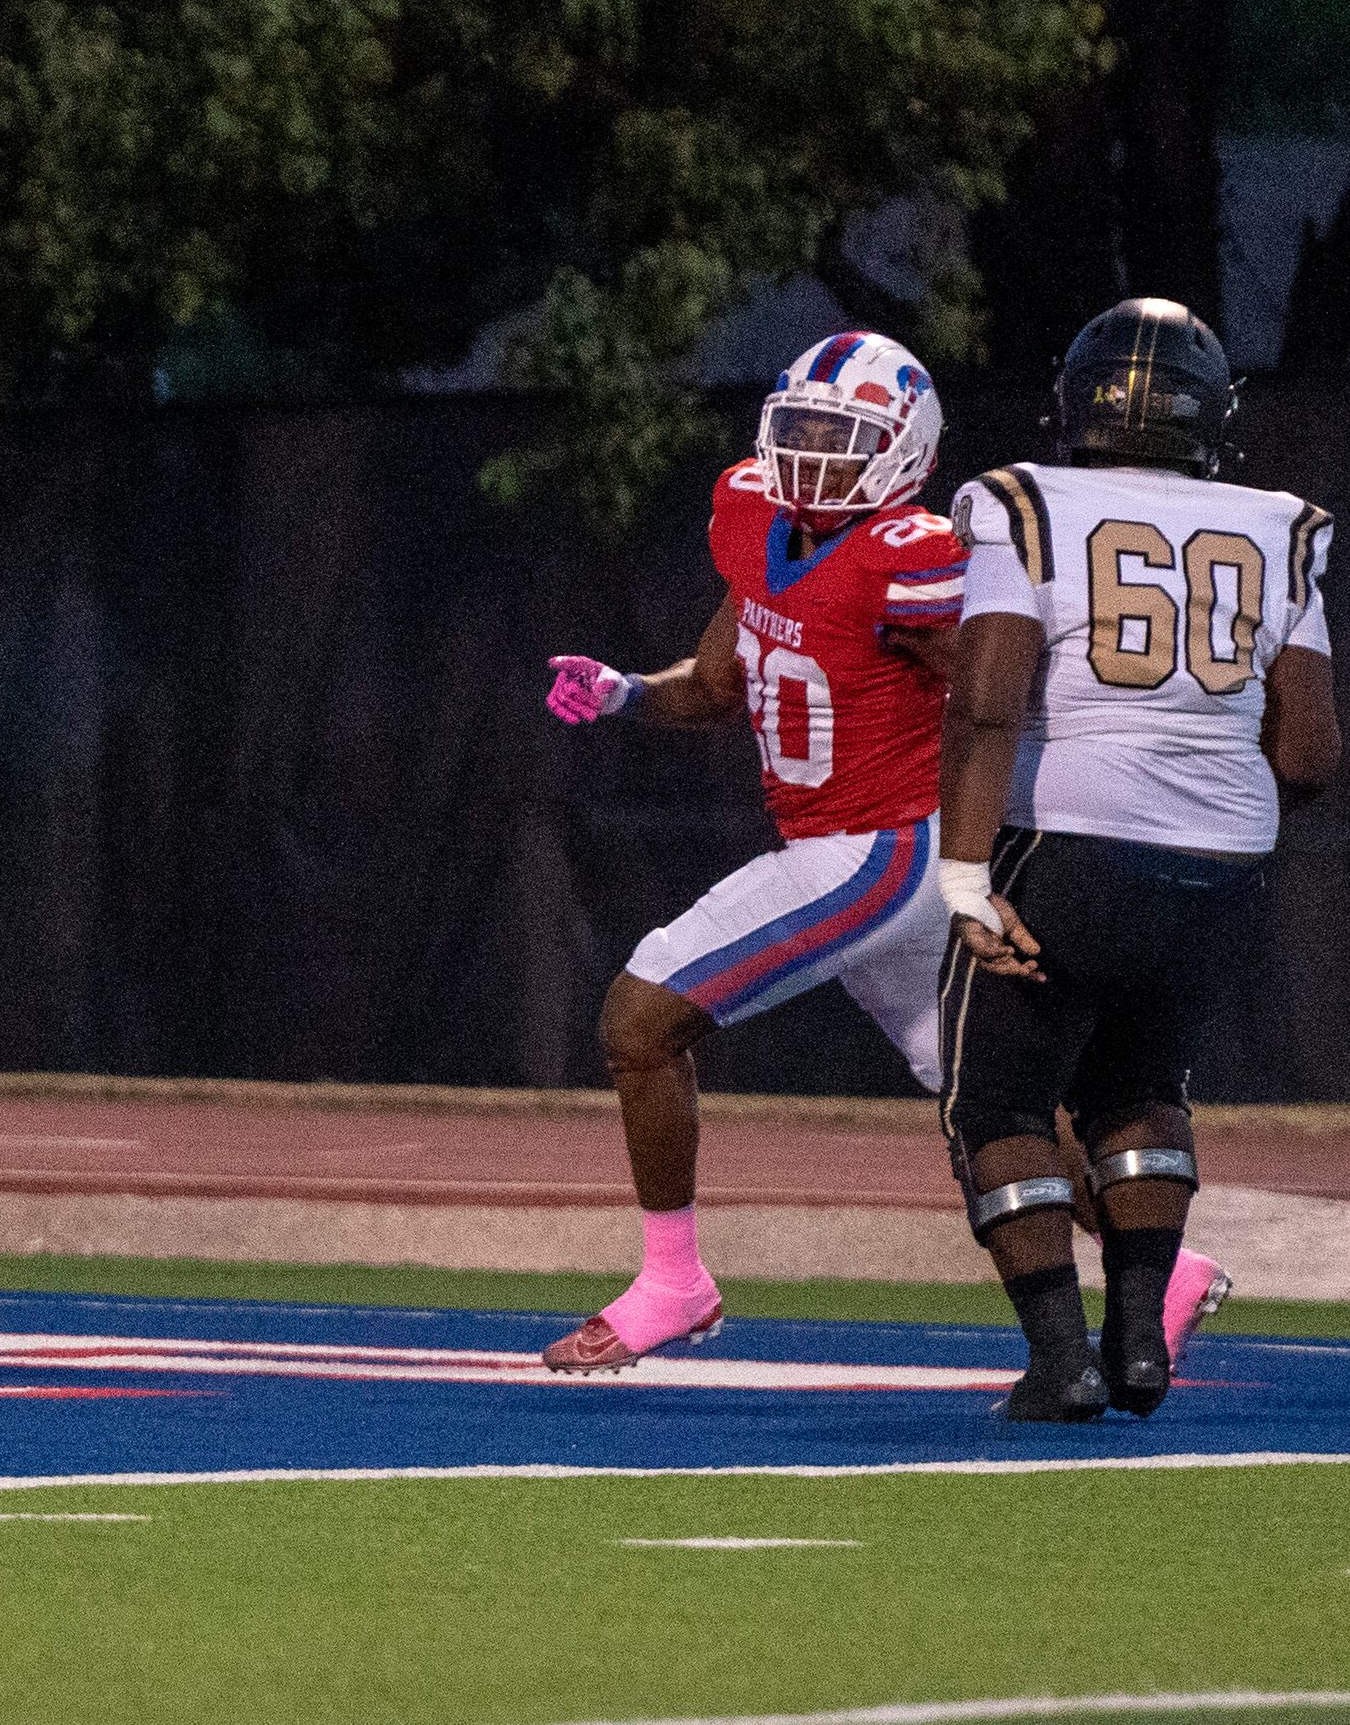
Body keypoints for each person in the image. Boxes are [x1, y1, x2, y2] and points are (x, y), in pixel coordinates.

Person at [538, 332, 968, 1371]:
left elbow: (1000, 701)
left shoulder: (913, 554)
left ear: (905, 449)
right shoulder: (752, 514)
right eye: (804, 432)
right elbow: (727, 683)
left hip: (879, 848)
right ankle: (1167, 1263)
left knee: (640, 1018)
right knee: (984, 1095)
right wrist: (631, 695)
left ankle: (674, 1281)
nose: (816, 458)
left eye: (843, 438)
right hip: (854, 851)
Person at [937, 297, 1335, 1420]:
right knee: (1141, 1092)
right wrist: (1202, 814)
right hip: (1222, 856)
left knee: (1000, 1108)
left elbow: (985, 705)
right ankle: (1141, 1348)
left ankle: (1060, 1362)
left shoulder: (1026, 502)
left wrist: (966, 873)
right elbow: (1309, 749)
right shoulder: (1280, 524)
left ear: (1076, 400)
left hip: (1063, 842)